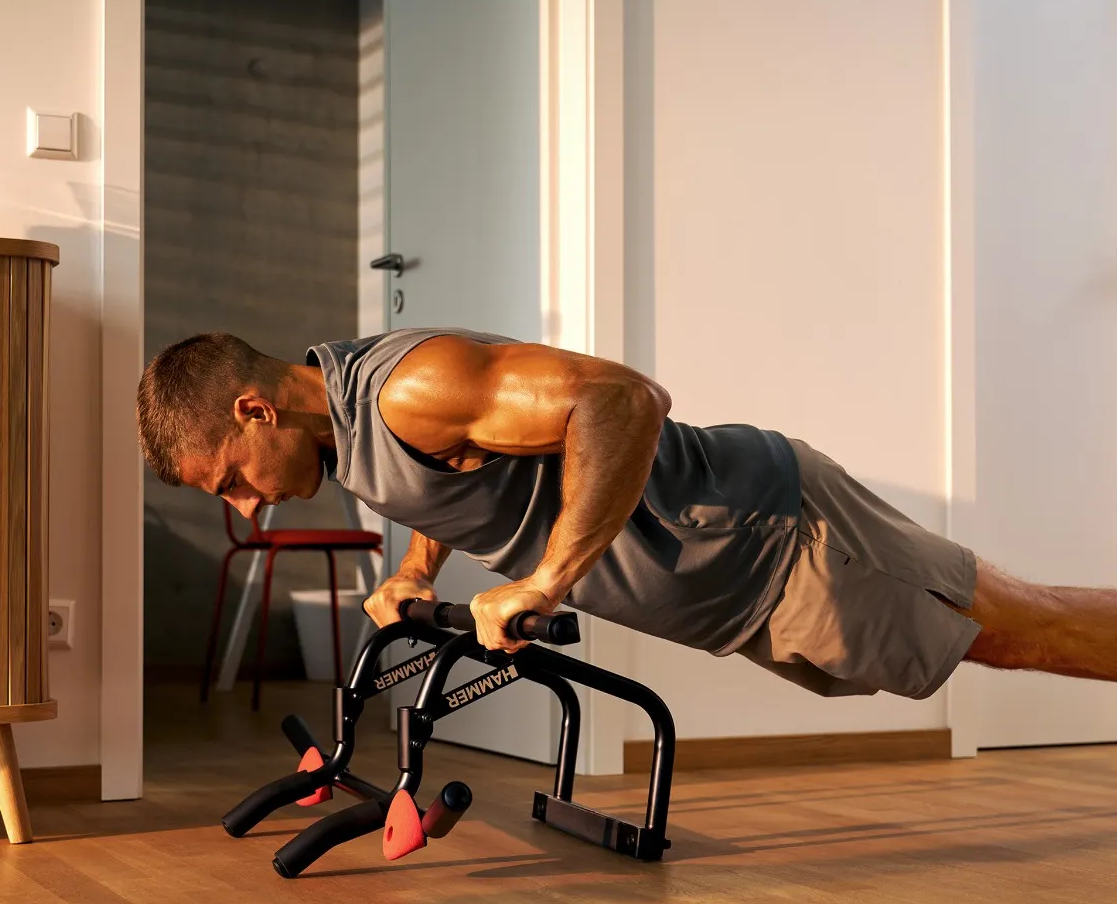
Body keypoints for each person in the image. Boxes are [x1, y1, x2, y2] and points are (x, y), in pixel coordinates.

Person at [136, 326, 1117, 695]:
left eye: (229, 477)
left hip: (781, 537)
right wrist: (416, 572)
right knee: (1014, 624)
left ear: (255, 410)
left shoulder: (404, 387)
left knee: (1017, 630)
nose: (245, 507)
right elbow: (461, 477)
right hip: (746, 583)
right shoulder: (349, 431)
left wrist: (548, 580)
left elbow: (622, 400)